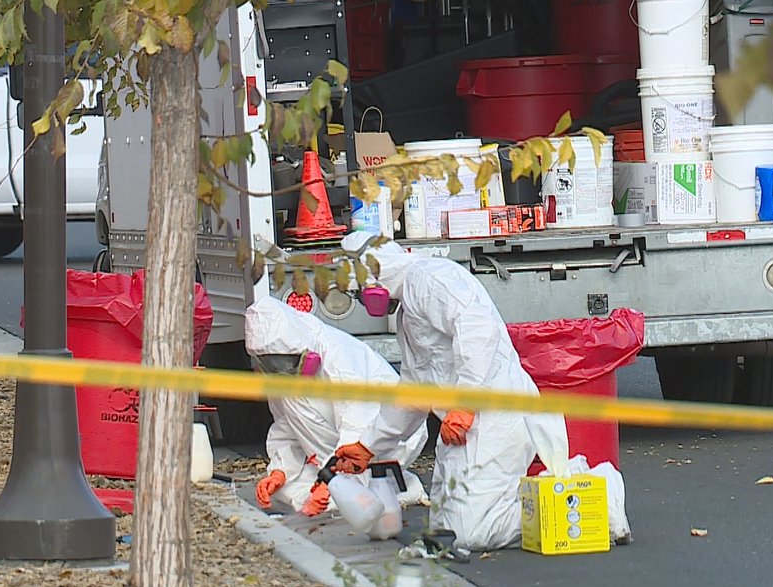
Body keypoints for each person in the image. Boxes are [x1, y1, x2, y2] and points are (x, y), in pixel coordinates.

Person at [331, 231, 570, 550]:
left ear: (376, 274)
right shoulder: (408, 312)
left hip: (496, 415)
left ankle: (576, 510)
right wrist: (369, 445)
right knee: (445, 529)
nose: (364, 301)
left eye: (361, 292)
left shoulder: (430, 279)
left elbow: (478, 331)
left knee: (472, 533)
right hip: (463, 426)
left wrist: (466, 403)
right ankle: (531, 502)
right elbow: (414, 393)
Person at [244, 296, 429, 516]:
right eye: (272, 364)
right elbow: (285, 426)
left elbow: (358, 428)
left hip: (383, 440)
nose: (282, 370)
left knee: (345, 500)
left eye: (286, 362)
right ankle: (380, 488)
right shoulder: (280, 376)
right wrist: (280, 471)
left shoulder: (339, 357)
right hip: (335, 453)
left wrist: (332, 483)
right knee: (286, 492)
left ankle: (390, 488)